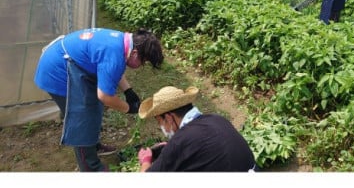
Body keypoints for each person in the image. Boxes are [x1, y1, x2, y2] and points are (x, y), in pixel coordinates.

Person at [34, 27, 164, 171]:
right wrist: (128, 108)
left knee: (94, 107)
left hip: (72, 62)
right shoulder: (114, 54)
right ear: (134, 53)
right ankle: (90, 167)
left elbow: (112, 69)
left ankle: (93, 145)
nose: (142, 65)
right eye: (143, 61)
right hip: (56, 71)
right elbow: (105, 96)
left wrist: (128, 91)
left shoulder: (124, 43)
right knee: (81, 118)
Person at [137, 85, 257, 172]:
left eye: (160, 122)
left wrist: (146, 160)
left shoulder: (179, 142)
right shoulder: (217, 119)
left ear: (169, 118)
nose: (162, 128)